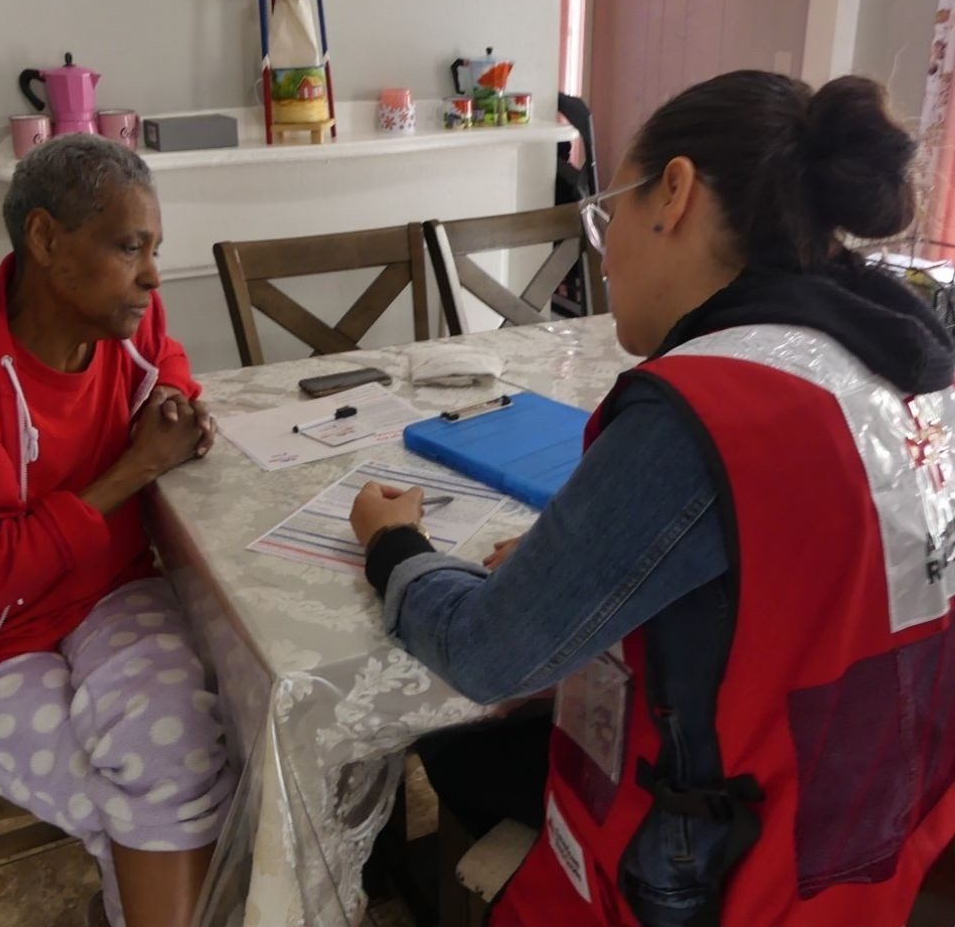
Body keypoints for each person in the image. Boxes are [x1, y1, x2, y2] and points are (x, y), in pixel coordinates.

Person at [349, 72, 955, 925]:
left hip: (723, 863)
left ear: (673, 193)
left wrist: (393, 546)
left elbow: (490, 655)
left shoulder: (706, 407)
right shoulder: (907, 357)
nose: (605, 247)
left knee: (456, 737)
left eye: (608, 211)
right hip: (876, 819)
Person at [0, 136, 235, 927]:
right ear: (44, 240)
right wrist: (138, 466)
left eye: (155, 249)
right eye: (130, 247)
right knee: (161, 804)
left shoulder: (123, 317)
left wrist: (170, 404)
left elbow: (165, 360)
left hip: (106, 591)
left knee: (179, 753)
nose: (152, 274)